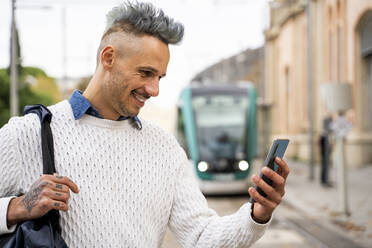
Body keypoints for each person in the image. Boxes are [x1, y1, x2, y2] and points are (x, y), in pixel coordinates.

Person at [0, 1, 290, 247]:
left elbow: (202, 236)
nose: (154, 90)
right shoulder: (26, 133)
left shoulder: (164, 148)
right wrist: (17, 208)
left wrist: (257, 213)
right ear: (108, 57)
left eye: (160, 77)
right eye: (146, 73)